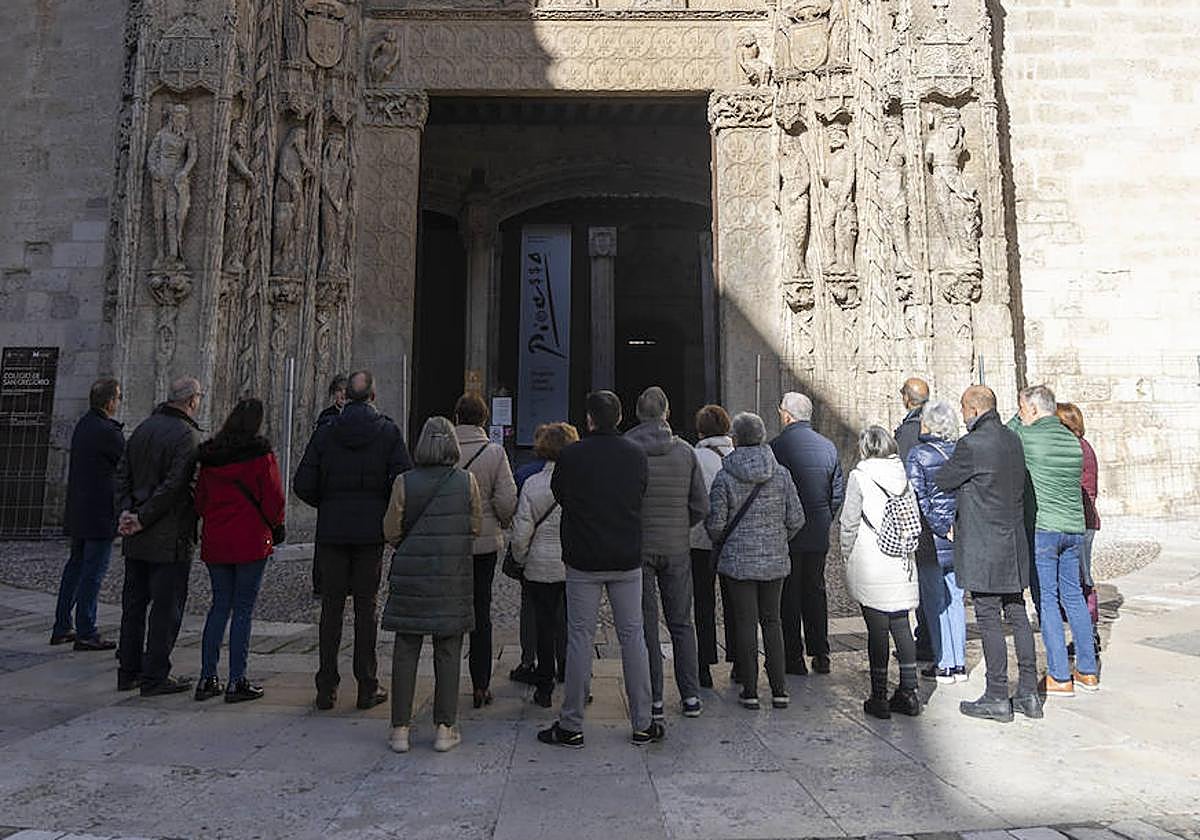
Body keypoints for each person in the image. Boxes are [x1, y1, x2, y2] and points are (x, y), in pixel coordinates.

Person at [539, 390, 661, 748]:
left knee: (579, 637)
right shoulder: (636, 455)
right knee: (633, 637)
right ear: (620, 417)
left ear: (589, 420)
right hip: (625, 557)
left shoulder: (572, 456)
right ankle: (642, 721)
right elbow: (640, 493)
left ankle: (572, 722)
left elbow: (559, 493)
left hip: (584, 557)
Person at [293, 370, 413, 711]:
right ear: (373, 397)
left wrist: (328, 504)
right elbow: (403, 479)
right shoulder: (387, 431)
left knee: (331, 609)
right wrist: (383, 508)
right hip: (368, 533)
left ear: (346, 396)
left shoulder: (327, 432)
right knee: (366, 607)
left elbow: (303, 482)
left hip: (332, 531)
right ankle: (366, 685)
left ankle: (326, 688)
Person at [936, 385, 1041, 723]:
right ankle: (1028, 693)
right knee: (1018, 612)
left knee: (988, 616)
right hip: (1012, 543)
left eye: (964, 410)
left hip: (984, 545)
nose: (963, 416)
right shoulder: (1013, 438)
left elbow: (943, 479)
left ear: (972, 409)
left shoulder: (971, 444)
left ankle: (997, 694)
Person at [382, 416, 482, 754]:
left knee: (406, 649)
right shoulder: (467, 481)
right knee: (449, 649)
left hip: (412, 574)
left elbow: (391, 531)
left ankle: (400, 728)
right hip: (451, 574)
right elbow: (475, 527)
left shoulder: (403, 482)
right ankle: (444, 726)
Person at [706, 412, 803, 710]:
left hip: (738, 562)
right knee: (772, 621)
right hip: (774, 559)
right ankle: (779, 689)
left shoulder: (725, 476)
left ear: (735, 439)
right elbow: (796, 518)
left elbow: (716, 525)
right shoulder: (781, 473)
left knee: (745, 623)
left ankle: (750, 690)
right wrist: (776, 539)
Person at [114, 376, 203, 696]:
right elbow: (176, 486)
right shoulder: (187, 436)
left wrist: (127, 512)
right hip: (169, 537)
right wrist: (141, 517)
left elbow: (123, 474)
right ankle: (154, 675)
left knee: (134, 605)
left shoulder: (143, 428)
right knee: (166, 608)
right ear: (192, 400)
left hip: (137, 536)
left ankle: (128, 670)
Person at [192, 398, 284, 704]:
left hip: (217, 540)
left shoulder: (211, 456)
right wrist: (277, 524)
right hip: (250, 540)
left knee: (219, 606)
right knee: (243, 609)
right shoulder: (260, 455)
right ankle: (236, 680)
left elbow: (200, 501)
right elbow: (273, 497)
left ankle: (207, 678)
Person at [1009, 385, 1098, 696]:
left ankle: (1060, 675)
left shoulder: (1027, 436)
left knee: (1046, 600)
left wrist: (1019, 419)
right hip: (1073, 528)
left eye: (1022, 407)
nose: (1020, 413)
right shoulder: (1072, 441)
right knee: (1073, 597)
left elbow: (1008, 432)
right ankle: (1088, 670)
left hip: (1044, 528)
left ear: (1033, 410)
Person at [625, 386, 708, 720]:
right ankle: (690, 696)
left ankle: (655, 699)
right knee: (681, 624)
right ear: (667, 413)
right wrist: (679, 524)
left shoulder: (627, 451)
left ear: (638, 414)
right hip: (676, 547)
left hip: (639, 546)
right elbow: (701, 504)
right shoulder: (685, 452)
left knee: (646, 626)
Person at [840, 426, 922, 719]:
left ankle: (878, 697)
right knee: (901, 624)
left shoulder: (859, 477)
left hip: (871, 559)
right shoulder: (903, 477)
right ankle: (910, 692)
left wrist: (845, 554)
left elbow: (849, 522)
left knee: (877, 629)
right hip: (901, 559)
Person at [770, 392, 845, 675]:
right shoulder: (828, 447)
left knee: (789, 594)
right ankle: (821, 652)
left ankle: (794, 657)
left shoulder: (777, 447)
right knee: (815, 590)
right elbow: (837, 491)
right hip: (817, 530)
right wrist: (825, 517)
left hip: (787, 533)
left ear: (787, 415)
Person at [452, 393, 518, 709]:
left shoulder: (444, 449)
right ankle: (480, 685)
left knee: (449, 609)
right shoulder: (494, 453)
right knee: (481, 609)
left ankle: (447, 680)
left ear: (457, 417)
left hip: (449, 542)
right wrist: (500, 523)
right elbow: (507, 501)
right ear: (484, 419)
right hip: (484, 542)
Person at [52, 378, 125, 650]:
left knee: (75, 567)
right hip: (100, 512)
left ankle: (62, 626)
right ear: (109, 402)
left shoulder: (84, 425)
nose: (119, 403)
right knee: (92, 572)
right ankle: (86, 630)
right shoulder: (107, 431)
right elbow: (126, 463)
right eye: (118, 398)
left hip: (80, 509)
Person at [510, 422, 578, 708]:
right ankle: (573, 676)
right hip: (572, 563)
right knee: (575, 625)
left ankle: (544, 684)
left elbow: (521, 531)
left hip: (539, 563)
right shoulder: (581, 482)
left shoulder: (533, 484)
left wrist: (521, 559)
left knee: (544, 623)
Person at [904, 399, 966, 683]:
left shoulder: (919, 454)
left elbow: (917, 497)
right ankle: (959, 662)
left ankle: (943, 662)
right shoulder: (961, 451)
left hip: (933, 536)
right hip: (959, 533)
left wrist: (941, 527)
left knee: (934, 601)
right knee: (956, 599)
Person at [688, 405, 735, 689]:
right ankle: (740, 661)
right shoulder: (737, 456)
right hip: (732, 539)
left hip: (699, 539)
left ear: (700, 430)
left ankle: (704, 665)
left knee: (703, 603)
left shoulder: (694, 457)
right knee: (736, 602)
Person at [1056, 402, 1102, 643]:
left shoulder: (1077, 448)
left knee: (1082, 579)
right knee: (1076, 579)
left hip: (1081, 523)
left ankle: (1089, 634)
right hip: (1080, 521)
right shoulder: (1080, 446)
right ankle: (1085, 632)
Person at [509, 454, 548, 687]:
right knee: (564, 611)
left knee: (530, 609)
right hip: (565, 558)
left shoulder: (525, 475)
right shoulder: (576, 471)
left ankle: (528, 661)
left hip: (533, 555)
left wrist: (520, 557)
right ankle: (563, 662)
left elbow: (517, 517)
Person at [894, 377, 930, 461]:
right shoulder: (937, 422)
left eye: (903, 393)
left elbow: (902, 462)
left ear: (907, 398)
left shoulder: (908, 430)